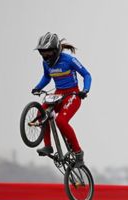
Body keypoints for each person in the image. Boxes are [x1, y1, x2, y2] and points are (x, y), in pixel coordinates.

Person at [32, 32, 92, 168]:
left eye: (48, 53)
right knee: (41, 114)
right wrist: (37, 87)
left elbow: (87, 75)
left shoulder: (69, 60)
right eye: (42, 53)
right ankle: (48, 146)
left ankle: (78, 153)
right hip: (57, 94)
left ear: (56, 50)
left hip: (72, 95)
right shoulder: (45, 63)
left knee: (60, 121)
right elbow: (47, 77)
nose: (45, 56)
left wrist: (85, 90)